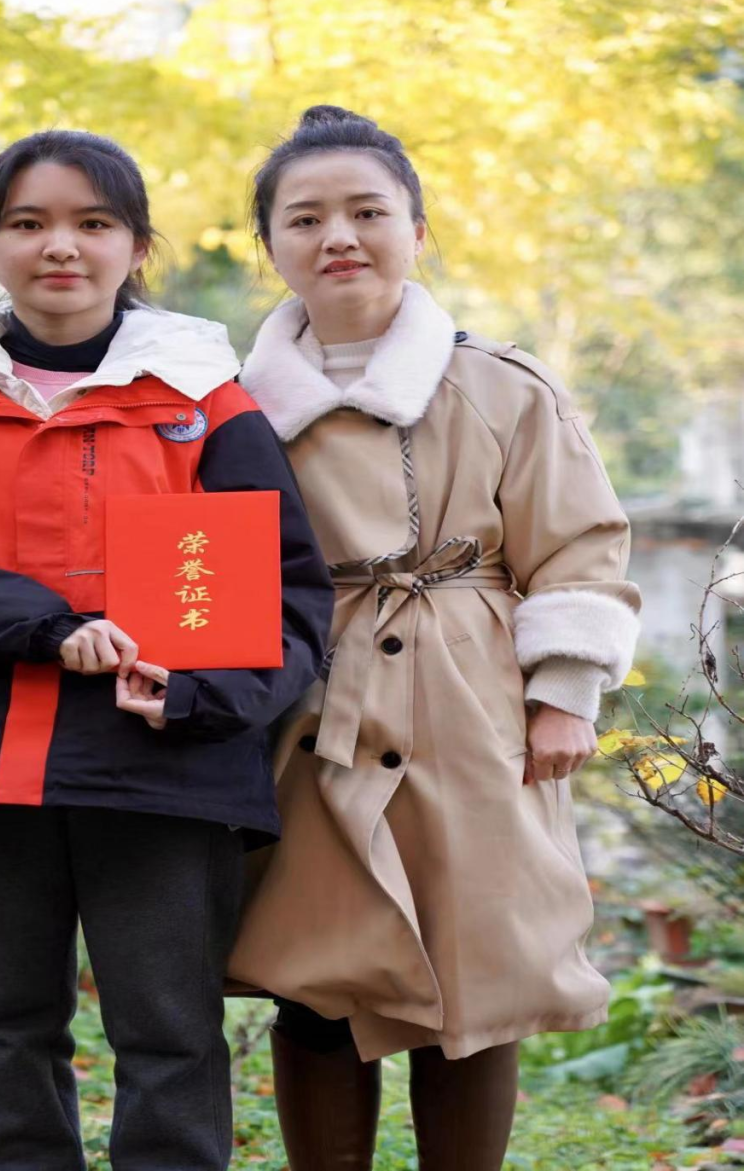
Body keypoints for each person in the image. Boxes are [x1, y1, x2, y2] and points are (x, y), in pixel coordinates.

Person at [0, 128, 333, 1171]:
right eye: (28, 222)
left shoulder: (206, 409)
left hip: (159, 771)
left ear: (136, 246)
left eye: (94, 223)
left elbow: (285, 596)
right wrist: (43, 624)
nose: (62, 246)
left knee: (170, 1032)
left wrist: (198, 691)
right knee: (0, 1030)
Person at [229, 105, 642, 1171]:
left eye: (368, 211)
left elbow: (580, 542)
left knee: (480, 971)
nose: (339, 237)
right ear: (269, 244)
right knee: (319, 970)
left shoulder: (503, 384)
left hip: (473, 708)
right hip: (310, 705)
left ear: (417, 229)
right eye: (305, 218)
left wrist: (564, 693)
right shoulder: (227, 409)